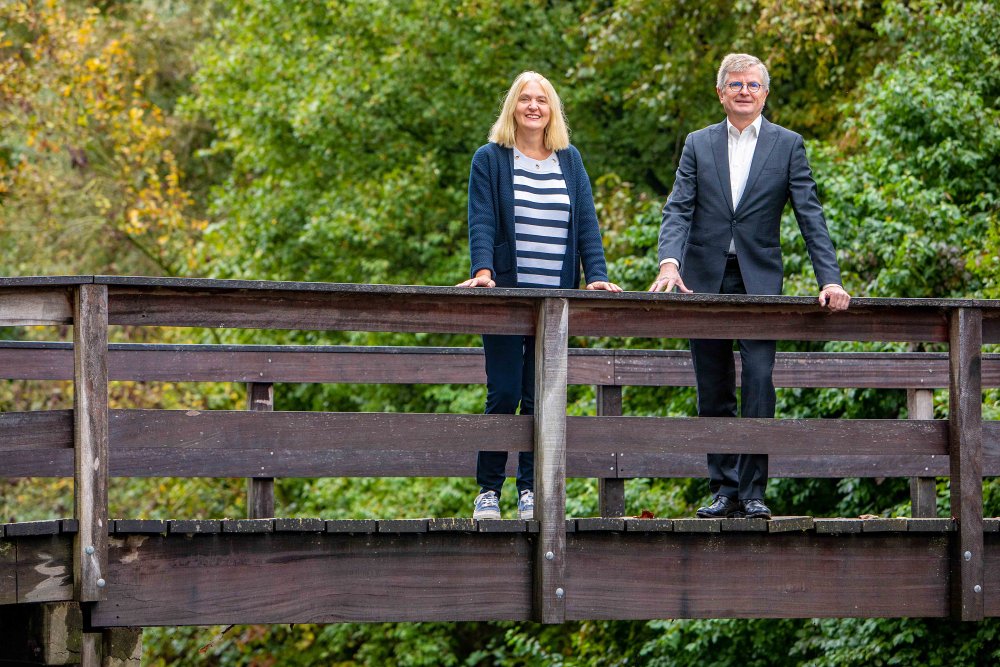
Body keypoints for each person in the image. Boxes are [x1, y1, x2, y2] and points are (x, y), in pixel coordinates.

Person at [648, 53, 851, 520]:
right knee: (713, 385)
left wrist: (831, 279)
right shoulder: (698, 144)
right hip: (703, 281)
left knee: (759, 381)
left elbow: (810, 215)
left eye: (752, 85)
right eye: (735, 84)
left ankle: (754, 490)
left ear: (765, 93)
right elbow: (678, 208)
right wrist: (669, 263)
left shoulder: (788, 145)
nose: (744, 91)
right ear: (721, 93)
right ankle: (723, 489)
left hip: (759, 279)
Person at [457, 71, 621, 520]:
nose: (533, 106)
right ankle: (488, 491)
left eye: (542, 100)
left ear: (552, 110)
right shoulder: (490, 159)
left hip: (555, 300)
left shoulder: (569, 160)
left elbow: (586, 222)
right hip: (507, 298)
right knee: (504, 392)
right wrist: (483, 271)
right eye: (525, 99)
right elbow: (482, 221)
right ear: (513, 107)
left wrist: (596, 276)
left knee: (540, 396)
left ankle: (530, 490)